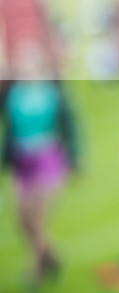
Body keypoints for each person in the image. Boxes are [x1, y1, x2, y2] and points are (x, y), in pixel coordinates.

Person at [0, 45, 79, 285]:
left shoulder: (52, 95)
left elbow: (71, 128)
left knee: (36, 218)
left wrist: (75, 158)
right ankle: (53, 256)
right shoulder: (13, 95)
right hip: (21, 161)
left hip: (47, 159)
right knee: (22, 220)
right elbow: (11, 132)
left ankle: (35, 270)